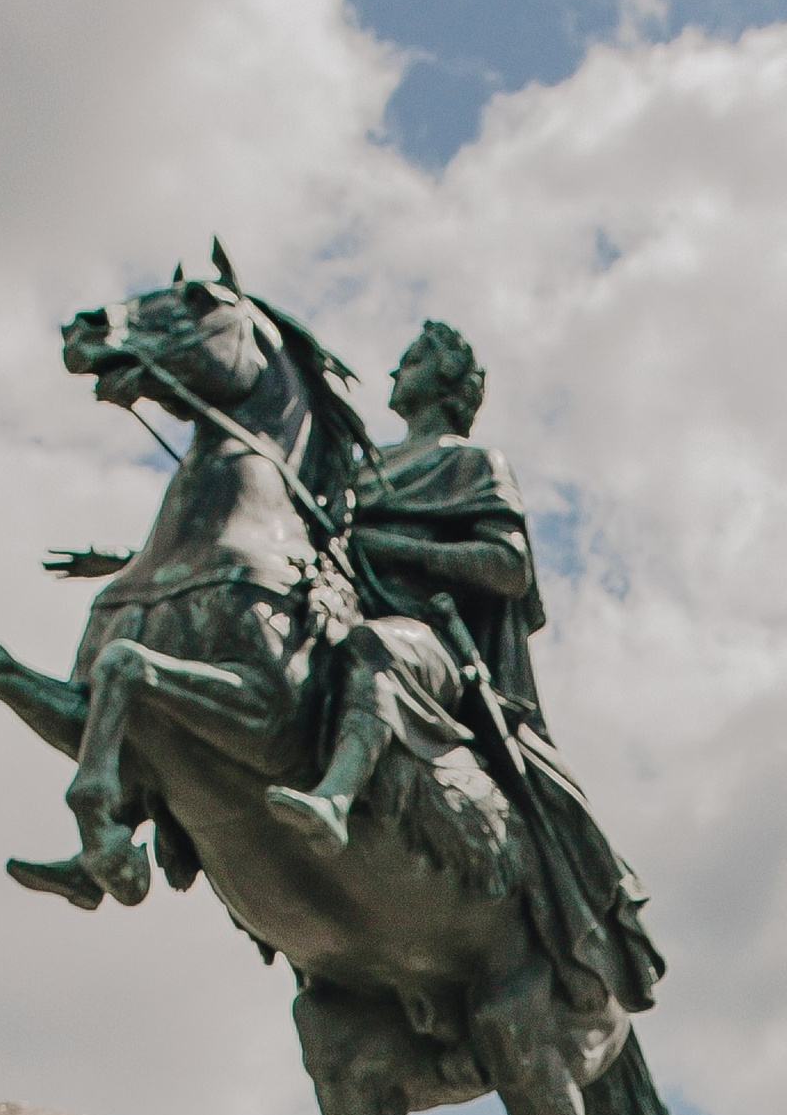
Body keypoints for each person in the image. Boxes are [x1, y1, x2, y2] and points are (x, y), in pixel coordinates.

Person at [266, 319, 663, 1015]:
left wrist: (404, 552)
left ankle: (334, 798)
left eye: (414, 358)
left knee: (378, 650)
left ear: (448, 383)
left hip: (432, 647)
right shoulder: (358, 467)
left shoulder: (473, 464)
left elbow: (509, 568)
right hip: (340, 616)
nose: (395, 368)